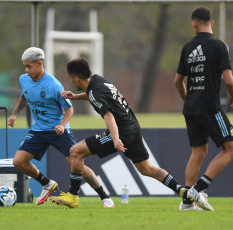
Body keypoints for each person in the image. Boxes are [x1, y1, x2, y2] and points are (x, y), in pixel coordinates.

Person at [49, 58, 204, 209]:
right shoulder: (98, 80)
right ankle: (183, 191)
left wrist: (115, 138)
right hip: (133, 127)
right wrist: (76, 97)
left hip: (121, 131)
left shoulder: (94, 94)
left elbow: (108, 115)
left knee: (75, 151)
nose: (70, 82)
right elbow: (95, 95)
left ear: (76, 79)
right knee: (146, 169)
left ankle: (73, 196)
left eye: (70, 79)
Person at [8, 47, 114, 208]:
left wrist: (62, 125)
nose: (26, 70)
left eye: (29, 66)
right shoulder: (24, 79)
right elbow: (25, 95)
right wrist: (14, 114)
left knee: (77, 164)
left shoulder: (54, 85)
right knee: (18, 162)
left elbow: (69, 109)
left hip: (58, 131)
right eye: (25, 66)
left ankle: (105, 197)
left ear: (39, 63)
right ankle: (47, 184)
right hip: (38, 130)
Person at [174, 6, 233, 211]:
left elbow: (177, 81)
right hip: (210, 107)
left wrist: (187, 100)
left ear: (195, 24)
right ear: (212, 23)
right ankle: (197, 189)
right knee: (230, 147)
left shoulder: (188, 47)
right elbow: (229, 80)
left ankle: (187, 203)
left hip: (191, 107)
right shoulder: (219, 46)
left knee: (198, 152)